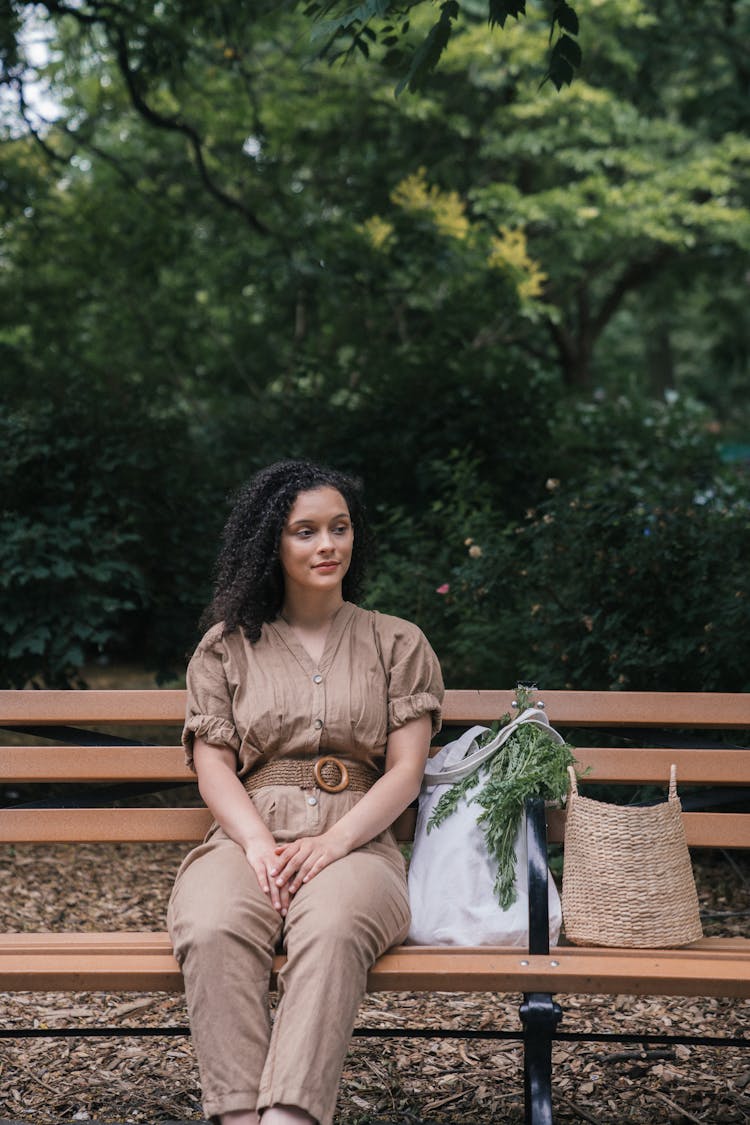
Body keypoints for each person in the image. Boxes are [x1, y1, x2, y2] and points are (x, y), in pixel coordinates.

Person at [167, 460, 444, 1125]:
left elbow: (406, 770)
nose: (328, 545)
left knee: (336, 924)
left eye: (340, 528)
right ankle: (238, 1115)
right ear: (273, 544)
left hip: (360, 844)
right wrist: (259, 843)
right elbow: (214, 766)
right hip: (246, 836)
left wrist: (334, 842)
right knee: (211, 922)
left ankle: (289, 1117)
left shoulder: (397, 641)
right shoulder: (226, 648)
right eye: (306, 531)